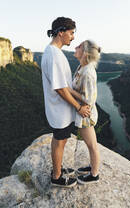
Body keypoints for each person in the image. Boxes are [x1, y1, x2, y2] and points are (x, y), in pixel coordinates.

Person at [41, 17, 91, 188]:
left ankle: (58, 168)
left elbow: (65, 85)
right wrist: (78, 107)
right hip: (60, 111)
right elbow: (60, 89)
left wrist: (81, 98)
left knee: (61, 141)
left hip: (61, 110)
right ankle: (56, 177)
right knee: (59, 141)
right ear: (60, 32)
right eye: (71, 33)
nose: (73, 37)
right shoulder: (54, 55)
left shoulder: (54, 52)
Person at [69, 40, 101, 184]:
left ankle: (94, 174)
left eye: (79, 46)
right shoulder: (82, 67)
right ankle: (93, 167)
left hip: (86, 115)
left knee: (92, 145)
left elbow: (88, 100)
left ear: (86, 53)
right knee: (90, 144)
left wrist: (68, 91)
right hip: (83, 114)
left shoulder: (87, 72)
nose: (75, 47)